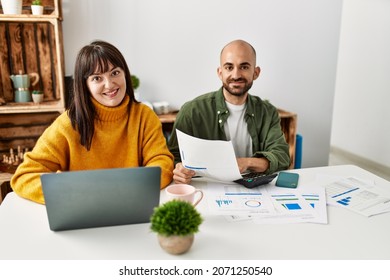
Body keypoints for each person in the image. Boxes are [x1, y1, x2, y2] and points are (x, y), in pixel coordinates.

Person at [11, 40, 174, 204]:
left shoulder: (144, 116)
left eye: (115, 73)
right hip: (82, 213)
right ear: (85, 85)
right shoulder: (67, 124)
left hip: (133, 207)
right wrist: (72, 194)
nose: (109, 84)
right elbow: (24, 177)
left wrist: (128, 189)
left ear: (125, 73)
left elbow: (163, 162)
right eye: (97, 78)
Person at [168, 39, 290, 184]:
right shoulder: (192, 111)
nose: (236, 75)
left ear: (255, 73)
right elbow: (172, 157)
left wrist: (246, 163)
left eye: (244, 67)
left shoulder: (267, 112)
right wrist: (178, 170)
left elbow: (281, 156)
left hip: (255, 191)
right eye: (229, 67)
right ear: (220, 72)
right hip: (207, 189)